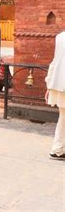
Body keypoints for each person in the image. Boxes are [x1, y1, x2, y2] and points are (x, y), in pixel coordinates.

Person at [46, 31, 65, 160]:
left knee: (63, 117)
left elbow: (54, 62)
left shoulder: (60, 36)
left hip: (58, 83)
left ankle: (57, 148)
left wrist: (49, 83)